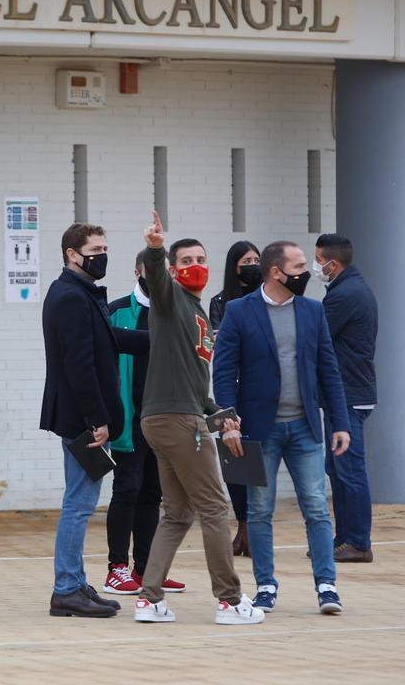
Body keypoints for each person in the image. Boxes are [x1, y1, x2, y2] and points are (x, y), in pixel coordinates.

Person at [133, 211, 263, 626]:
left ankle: (150, 599)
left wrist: (220, 415)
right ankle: (229, 600)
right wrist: (154, 249)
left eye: (201, 259)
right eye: (186, 261)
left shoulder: (199, 313)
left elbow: (195, 386)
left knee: (177, 513)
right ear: (173, 270)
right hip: (176, 423)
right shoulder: (170, 300)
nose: (196, 267)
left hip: (172, 418)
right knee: (214, 508)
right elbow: (155, 279)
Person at [212, 240, 351, 615]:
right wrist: (228, 422)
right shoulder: (239, 312)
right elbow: (223, 373)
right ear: (277, 272)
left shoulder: (312, 310)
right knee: (258, 511)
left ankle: (327, 585)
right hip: (259, 430)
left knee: (317, 509)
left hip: (305, 427)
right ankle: (266, 586)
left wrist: (339, 421)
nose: (307, 272)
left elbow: (328, 370)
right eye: (300, 266)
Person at [41, 223, 148, 618]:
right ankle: (67, 588)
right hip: (82, 421)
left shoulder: (81, 293)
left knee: (80, 502)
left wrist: (165, 341)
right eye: (95, 248)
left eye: (105, 247)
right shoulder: (70, 296)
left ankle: (75, 583)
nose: (102, 254)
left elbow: (111, 340)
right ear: (72, 253)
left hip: (83, 417)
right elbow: (79, 364)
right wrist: (97, 419)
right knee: (79, 504)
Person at [103, 252, 187, 595]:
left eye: (165, 272)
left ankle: (147, 568)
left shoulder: (177, 310)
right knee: (127, 489)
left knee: (153, 494)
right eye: (152, 270)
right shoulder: (117, 310)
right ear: (138, 271)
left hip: (163, 418)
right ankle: (116, 568)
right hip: (128, 417)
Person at [314, 233, 379, 563]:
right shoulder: (350, 288)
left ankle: (357, 541)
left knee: (349, 469)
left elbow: (316, 336)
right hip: (348, 393)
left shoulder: (345, 295)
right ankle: (344, 540)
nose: (316, 267)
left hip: (348, 395)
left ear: (332, 263)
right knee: (338, 468)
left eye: (318, 260)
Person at [208, 240, 261, 558]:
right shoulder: (221, 301)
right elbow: (218, 341)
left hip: (256, 390)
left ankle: (253, 528)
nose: (252, 264)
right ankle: (241, 526)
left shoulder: (266, 299)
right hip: (228, 388)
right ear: (234, 265)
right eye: (246, 260)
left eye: (257, 259)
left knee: (255, 460)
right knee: (234, 460)